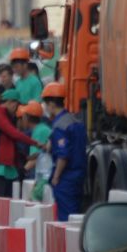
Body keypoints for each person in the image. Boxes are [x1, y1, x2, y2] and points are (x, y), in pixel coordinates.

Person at [0, 78, 38, 198]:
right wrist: (36, 143)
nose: (16, 107)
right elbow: (14, 134)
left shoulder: (8, 117)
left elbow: (11, 143)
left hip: (8, 169)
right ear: (10, 102)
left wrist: (26, 157)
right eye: (15, 103)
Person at [45, 83, 88, 219]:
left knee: (66, 218)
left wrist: (56, 177)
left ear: (51, 104)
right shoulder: (73, 120)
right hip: (79, 174)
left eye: (46, 104)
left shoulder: (59, 125)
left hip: (66, 177)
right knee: (75, 214)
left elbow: (63, 155)